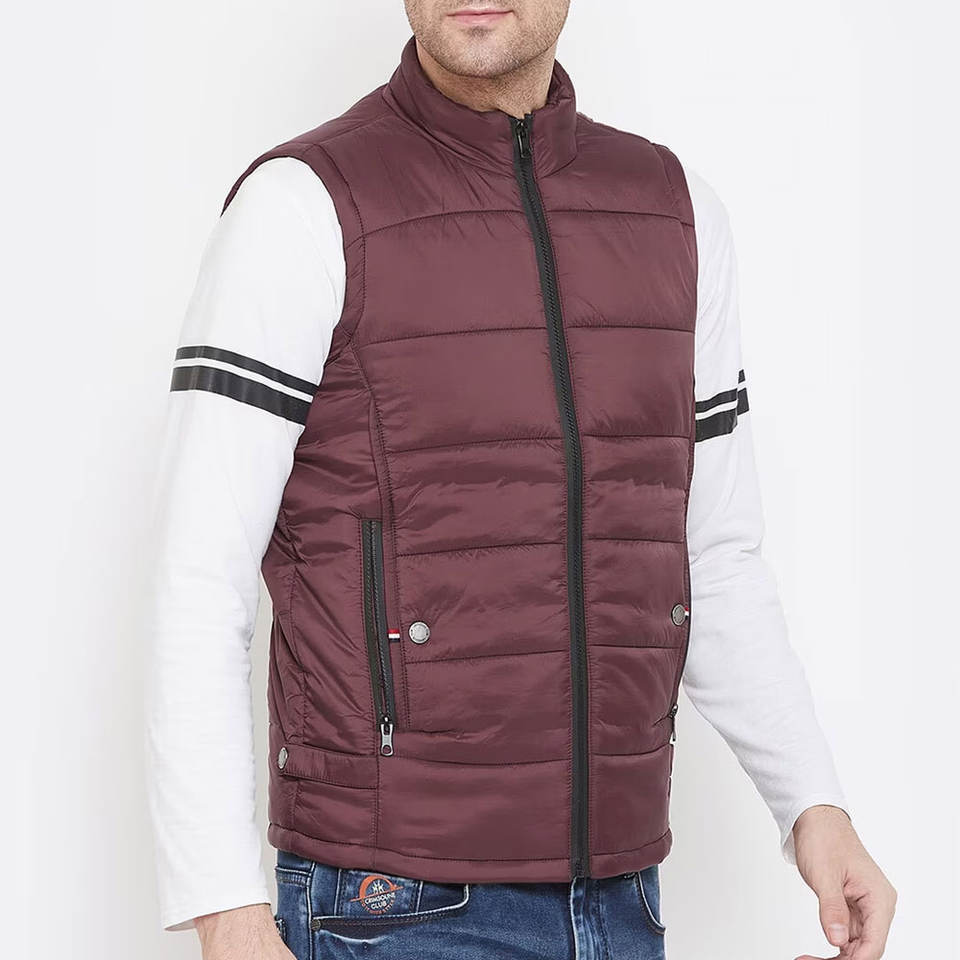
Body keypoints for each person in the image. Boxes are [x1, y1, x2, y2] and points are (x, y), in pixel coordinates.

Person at [145, 3, 897, 958]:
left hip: (621, 900)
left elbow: (708, 553)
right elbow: (198, 572)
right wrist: (224, 906)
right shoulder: (300, 206)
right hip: (390, 906)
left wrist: (813, 805)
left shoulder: (676, 214)